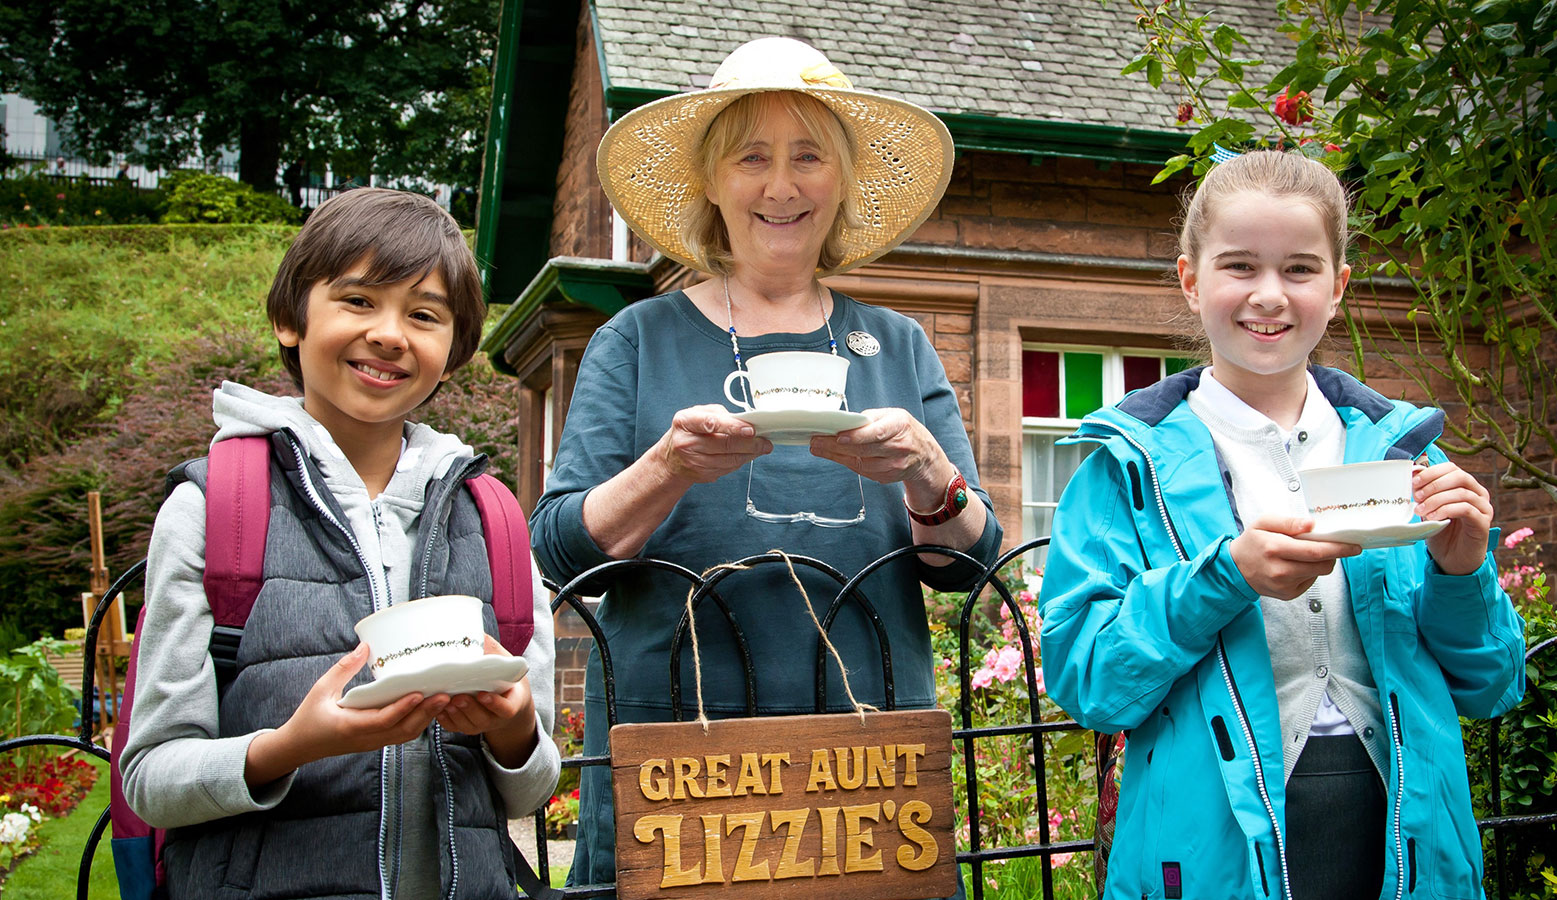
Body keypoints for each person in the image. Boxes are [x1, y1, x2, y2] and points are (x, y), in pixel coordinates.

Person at [531, 36, 1001, 893]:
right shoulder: (635, 341)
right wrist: (667, 467)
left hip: (869, 775)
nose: (781, 187)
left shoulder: (898, 346)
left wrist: (931, 471)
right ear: (711, 182)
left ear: (844, 179)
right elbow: (563, 553)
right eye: (752, 157)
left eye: (809, 157)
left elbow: (966, 564)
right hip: (677, 771)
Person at [1038, 150, 1526, 900]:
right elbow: (1088, 681)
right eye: (1239, 266)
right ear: (1190, 280)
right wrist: (1224, 576)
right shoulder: (1123, 466)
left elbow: (1490, 684)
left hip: (1410, 834)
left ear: (1338, 288)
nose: (1269, 295)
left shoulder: (1405, 448)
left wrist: (1462, 572)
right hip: (1209, 848)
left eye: (1299, 269)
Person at [120, 188, 561, 899]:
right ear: (289, 320)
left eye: (424, 315)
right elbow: (150, 779)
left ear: (452, 352)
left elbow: (530, 790)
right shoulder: (214, 508)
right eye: (358, 301)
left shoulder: (496, 522)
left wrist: (511, 734)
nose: (390, 334)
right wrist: (294, 747)